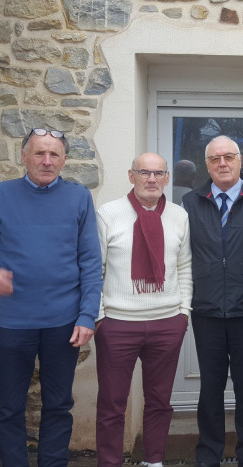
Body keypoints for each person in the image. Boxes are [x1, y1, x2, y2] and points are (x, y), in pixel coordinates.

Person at [0, 128, 103, 467]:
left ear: (64, 160)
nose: (47, 161)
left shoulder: (79, 197)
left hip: (64, 323)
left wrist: (86, 316)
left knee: (58, 405)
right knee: (9, 407)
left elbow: (90, 262)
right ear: (24, 157)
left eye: (54, 154)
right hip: (11, 323)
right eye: (39, 153)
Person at [94, 152, 192, 467]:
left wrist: (183, 313)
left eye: (158, 173)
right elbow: (94, 268)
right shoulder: (108, 213)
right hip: (118, 324)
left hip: (167, 323)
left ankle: (154, 461)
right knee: (112, 403)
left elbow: (185, 266)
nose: (151, 179)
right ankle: (109, 462)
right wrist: (99, 319)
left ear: (166, 178)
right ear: (131, 175)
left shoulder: (179, 215)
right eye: (144, 172)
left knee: (160, 402)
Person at [182, 135, 243, 467]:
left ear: (239, 161)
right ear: (206, 165)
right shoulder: (191, 202)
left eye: (229, 157)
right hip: (206, 310)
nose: (222, 163)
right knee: (211, 389)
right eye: (215, 158)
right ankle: (209, 455)